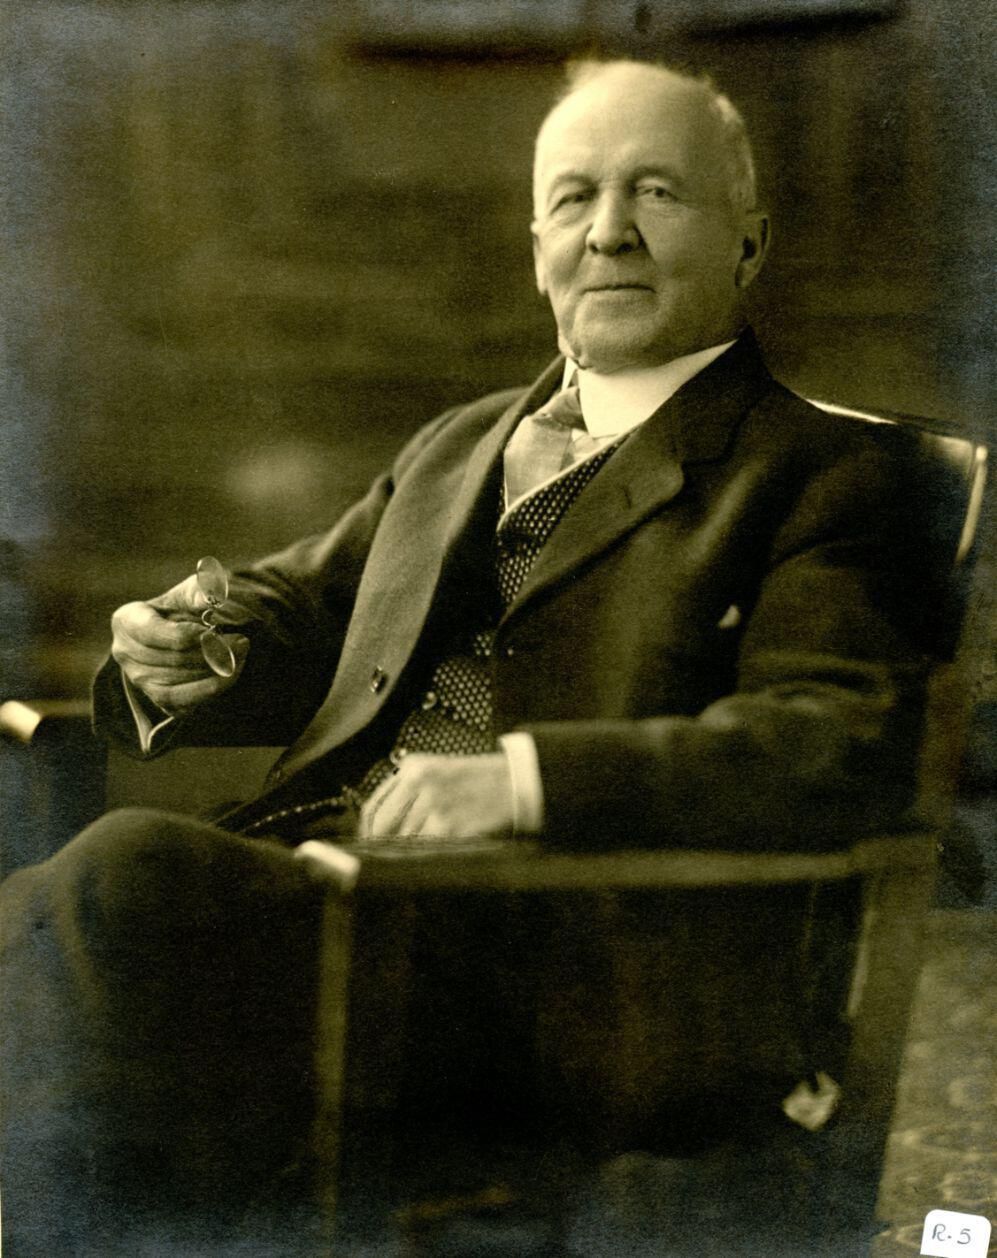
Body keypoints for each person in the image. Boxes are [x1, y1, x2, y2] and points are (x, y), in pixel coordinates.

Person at [1, 59, 965, 1254]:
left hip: (567, 968)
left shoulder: (832, 476)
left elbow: (831, 740)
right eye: (573, 198)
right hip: (337, 900)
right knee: (63, 945)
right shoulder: (463, 443)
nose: (607, 232)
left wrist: (523, 781)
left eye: (655, 192)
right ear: (537, 248)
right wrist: (189, 645)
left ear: (748, 243)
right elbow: (301, 604)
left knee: (118, 886)